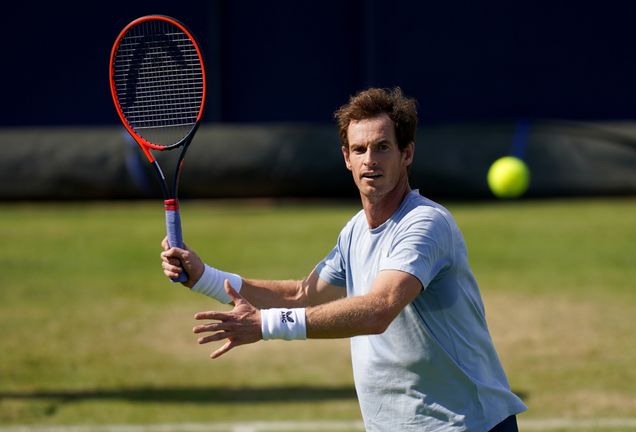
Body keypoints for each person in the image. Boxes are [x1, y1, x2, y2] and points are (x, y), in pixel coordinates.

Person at [160, 87, 527, 431]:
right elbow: (301, 295)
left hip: (467, 425)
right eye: (360, 149)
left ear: (407, 154)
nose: (371, 160)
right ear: (346, 158)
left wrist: (266, 325)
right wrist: (203, 276)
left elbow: (379, 308)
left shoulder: (426, 223)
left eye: (383, 147)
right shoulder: (354, 231)